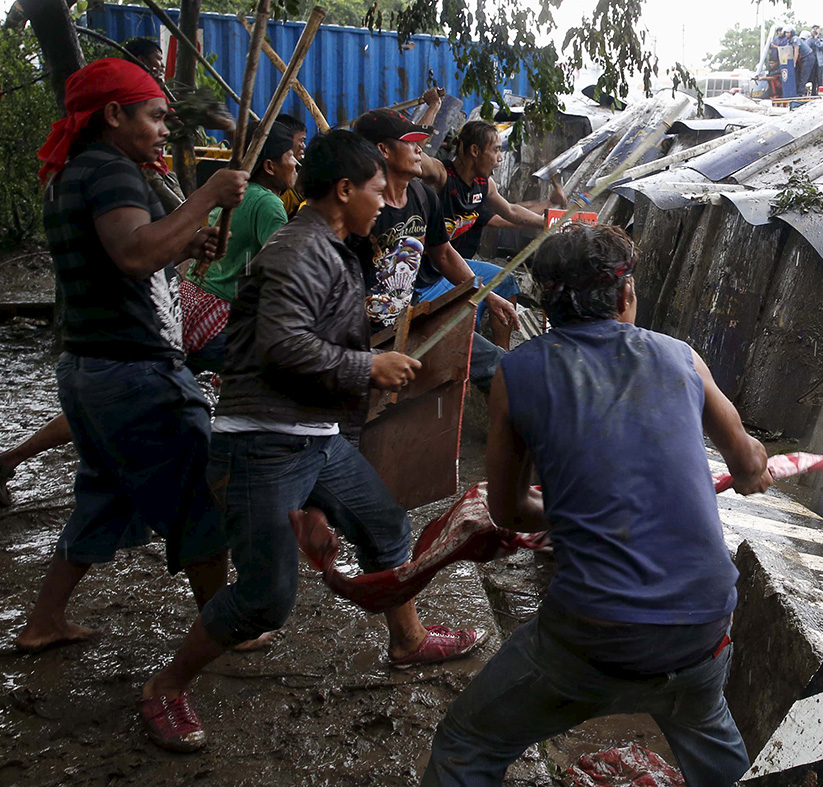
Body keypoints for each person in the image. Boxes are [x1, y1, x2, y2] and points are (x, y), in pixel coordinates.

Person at [141, 129, 485, 752]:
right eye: (377, 190)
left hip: (316, 440)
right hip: (263, 444)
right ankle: (164, 687)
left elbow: (324, 349)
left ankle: (406, 642)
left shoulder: (335, 248)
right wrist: (367, 369)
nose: (385, 202)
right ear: (345, 189)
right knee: (264, 601)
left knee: (385, 529)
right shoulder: (299, 249)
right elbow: (281, 344)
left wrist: (361, 376)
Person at [422, 223, 773, 786]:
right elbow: (750, 465)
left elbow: (509, 512)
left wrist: (565, 513)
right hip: (704, 623)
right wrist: (756, 467)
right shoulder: (682, 358)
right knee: (718, 754)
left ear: (548, 304)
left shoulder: (518, 370)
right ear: (626, 293)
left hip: (592, 634)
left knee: (466, 744)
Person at [15, 58, 248, 655]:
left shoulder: (74, 174)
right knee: (201, 491)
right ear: (114, 114)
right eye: (155, 116)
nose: (165, 128)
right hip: (135, 371)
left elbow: (128, 257)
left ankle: (44, 621)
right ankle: (220, 627)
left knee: (105, 495)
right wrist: (207, 198)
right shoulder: (113, 173)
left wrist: (185, 238)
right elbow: (133, 255)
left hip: (88, 369)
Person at [351, 108, 506, 390]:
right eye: (410, 142)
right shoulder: (358, 208)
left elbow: (444, 254)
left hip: (407, 322)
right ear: (383, 150)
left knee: (496, 363)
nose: (419, 149)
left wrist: (487, 295)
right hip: (361, 339)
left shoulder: (423, 197)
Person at [420, 120, 563, 348]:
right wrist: (433, 109)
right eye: (496, 149)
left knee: (505, 282)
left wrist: (551, 222)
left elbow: (511, 211)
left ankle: (503, 354)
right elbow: (416, 155)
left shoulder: (484, 184)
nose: (501, 157)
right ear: (475, 151)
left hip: (453, 265)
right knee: (467, 325)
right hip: (425, 274)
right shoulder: (442, 175)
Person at [181, 121, 298, 373]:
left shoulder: (233, 191)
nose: (295, 163)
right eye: (289, 156)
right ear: (269, 166)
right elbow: (285, 271)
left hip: (188, 307)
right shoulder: (268, 203)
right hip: (218, 323)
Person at [275, 113, 308, 219]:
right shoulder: (277, 169)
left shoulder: (300, 167)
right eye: (301, 140)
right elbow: (273, 211)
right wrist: (296, 193)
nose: (303, 146)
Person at [796, 30, 817, 96]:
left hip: (811, 63)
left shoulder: (811, 45)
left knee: (809, 78)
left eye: (804, 39)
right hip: (801, 64)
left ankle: (804, 93)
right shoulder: (798, 45)